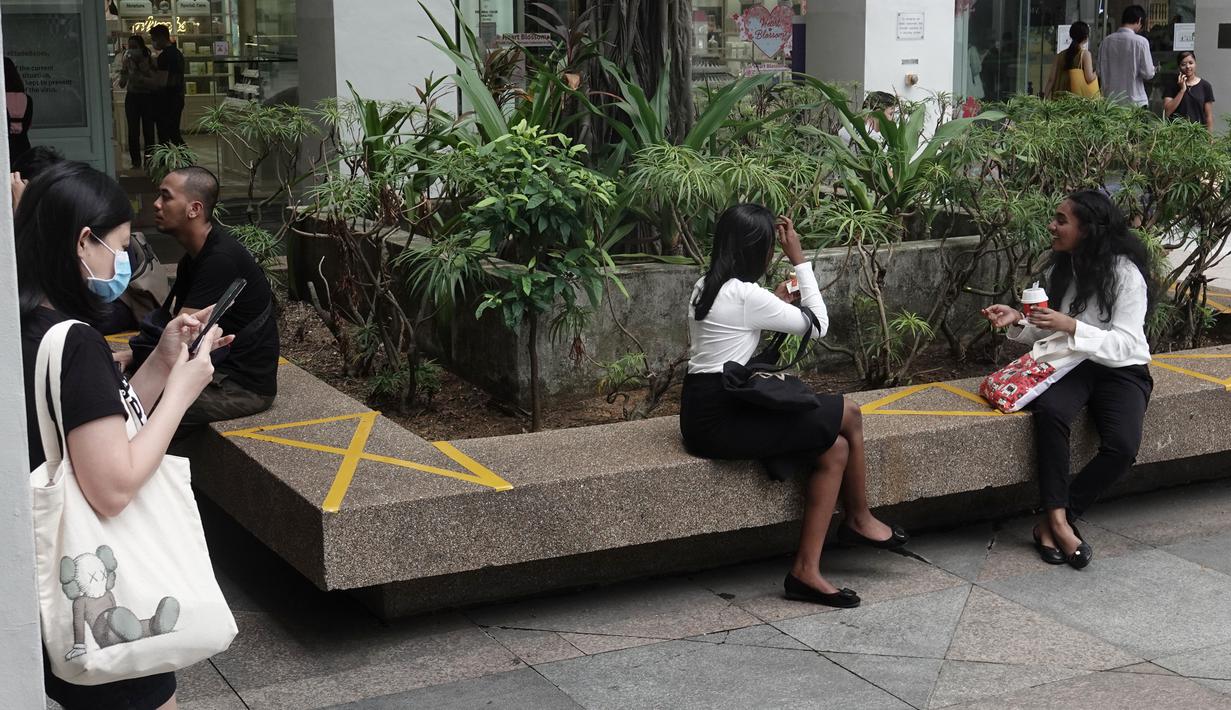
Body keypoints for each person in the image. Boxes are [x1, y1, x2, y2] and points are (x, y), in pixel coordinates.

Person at [17, 160, 229, 710]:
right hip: (104, 600)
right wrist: (182, 390)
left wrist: (161, 361)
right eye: (118, 245)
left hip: (36, 577)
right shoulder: (77, 342)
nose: (124, 261)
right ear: (83, 242)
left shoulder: (24, 325)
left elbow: (94, 422)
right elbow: (113, 486)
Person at [679, 204, 908, 608]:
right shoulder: (745, 295)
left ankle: (805, 572)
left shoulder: (707, 285)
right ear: (758, 249)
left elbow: (735, 328)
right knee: (850, 412)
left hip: (703, 408)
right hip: (723, 416)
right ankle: (859, 517)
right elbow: (818, 325)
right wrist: (800, 260)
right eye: (771, 246)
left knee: (835, 449)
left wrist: (775, 300)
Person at [981, 190, 1152, 570]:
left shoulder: (1125, 274)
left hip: (1123, 368)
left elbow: (1126, 343)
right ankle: (1059, 522)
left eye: (1061, 220)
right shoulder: (1063, 267)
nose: (1052, 226)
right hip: (1074, 364)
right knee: (1051, 412)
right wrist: (1018, 319)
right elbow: (1055, 333)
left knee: (1123, 447)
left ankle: (1052, 522)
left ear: (1088, 229)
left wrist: (1072, 325)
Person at [152, 166, 279, 425]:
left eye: (166, 197)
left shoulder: (220, 260)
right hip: (216, 372)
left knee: (141, 406)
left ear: (194, 209)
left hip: (241, 388)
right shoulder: (194, 258)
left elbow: (180, 342)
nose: (156, 204)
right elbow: (178, 334)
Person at [1097, 5, 1156, 107]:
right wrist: (1154, 69)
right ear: (1139, 20)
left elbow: (1099, 71)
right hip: (1135, 102)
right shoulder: (1141, 42)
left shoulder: (1106, 41)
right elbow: (1148, 73)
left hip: (1111, 103)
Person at [119, 35, 158, 169]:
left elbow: (155, 80)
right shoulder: (127, 61)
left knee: (149, 131)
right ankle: (135, 161)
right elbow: (122, 84)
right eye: (130, 47)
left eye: (135, 47)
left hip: (148, 97)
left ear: (141, 47)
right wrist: (124, 69)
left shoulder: (150, 60)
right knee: (133, 131)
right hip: (132, 97)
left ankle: (149, 160)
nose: (132, 50)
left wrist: (141, 66)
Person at [149, 25, 185, 146]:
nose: (153, 43)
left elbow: (162, 81)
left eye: (154, 39)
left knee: (166, 134)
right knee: (173, 132)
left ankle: (180, 156)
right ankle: (184, 156)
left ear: (161, 37)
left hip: (166, 101)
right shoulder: (177, 53)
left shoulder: (164, 56)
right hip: (177, 98)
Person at [1044, 21, 1099, 99]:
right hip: (1076, 101)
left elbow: (1051, 79)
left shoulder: (1059, 55)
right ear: (1086, 37)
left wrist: (1044, 98)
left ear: (1071, 35)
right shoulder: (1085, 54)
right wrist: (1097, 71)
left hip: (1060, 99)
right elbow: (1089, 78)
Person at [1162, 51, 1215, 131]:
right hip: (1176, 133)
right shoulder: (1172, 85)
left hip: (1197, 133)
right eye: (1183, 64)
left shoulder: (1205, 86)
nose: (1188, 66)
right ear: (1179, 66)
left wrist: (1209, 135)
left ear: (1195, 64)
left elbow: (1209, 116)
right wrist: (1182, 90)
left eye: (1191, 63)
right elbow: (1167, 112)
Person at [5, 56, 32, 163]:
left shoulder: (2, 100)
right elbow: (28, 124)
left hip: (5, 146)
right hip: (23, 145)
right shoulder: (27, 99)